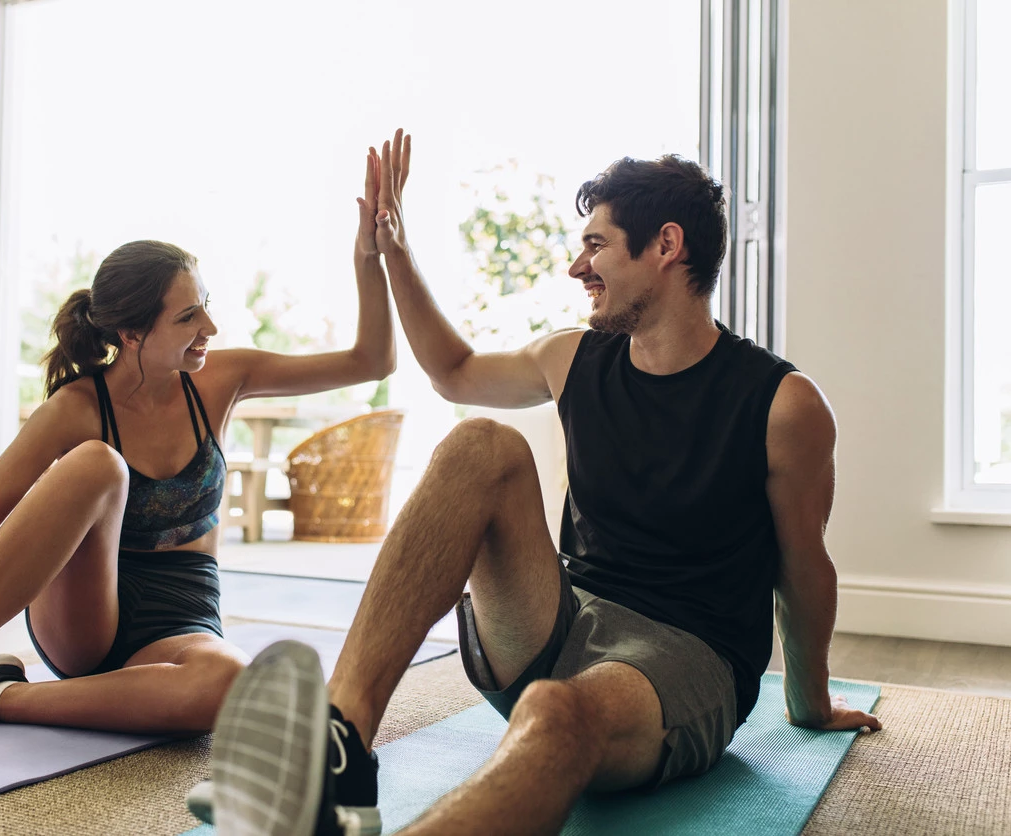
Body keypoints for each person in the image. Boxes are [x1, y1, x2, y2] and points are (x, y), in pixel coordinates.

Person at [198, 130, 882, 836]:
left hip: (685, 658)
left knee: (554, 714)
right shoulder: (574, 358)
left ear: (666, 245)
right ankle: (338, 747)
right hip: (558, 618)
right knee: (479, 443)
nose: (576, 266)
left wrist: (810, 704)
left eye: (596, 245)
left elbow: (803, 564)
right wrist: (393, 249)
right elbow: (454, 373)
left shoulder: (783, 403)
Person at [0, 149, 396, 766]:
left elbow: (372, 360)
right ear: (132, 333)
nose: (210, 326)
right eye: (188, 316)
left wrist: (369, 256)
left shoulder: (222, 380)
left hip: (182, 619)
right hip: (86, 617)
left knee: (232, 683)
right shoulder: (77, 408)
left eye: (207, 305)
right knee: (99, 464)